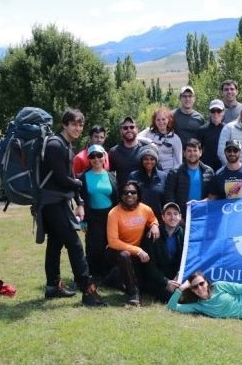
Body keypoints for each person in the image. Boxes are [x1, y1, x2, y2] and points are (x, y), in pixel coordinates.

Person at [37, 108, 105, 307]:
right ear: (64, 125)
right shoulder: (56, 145)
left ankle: (52, 286)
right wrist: (79, 184)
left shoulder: (64, 145)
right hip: (53, 203)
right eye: (74, 124)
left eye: (80, 124)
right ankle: (88, 290)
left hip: (54, 202)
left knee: (55, 243)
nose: (78, 128)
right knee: (74, 244)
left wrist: (79, 200)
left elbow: (67, 177)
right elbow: (63, 178)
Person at [105, 180, 160, 306]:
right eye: (125, 193)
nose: (129, 195)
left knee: (143, 281)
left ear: (138, 194)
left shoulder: (145, 209)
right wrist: (138, 250)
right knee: (124, 255)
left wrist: (155, 225)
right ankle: (133, 293)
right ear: (120, 195)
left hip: (136, 253)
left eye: (133, 192)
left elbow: (153, 219)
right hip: (115, 252)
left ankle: (113, 278)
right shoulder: (114, 213)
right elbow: (113, 242)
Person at [77, 144, 119, 279]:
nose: (96, 159)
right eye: (92, 156)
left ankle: (110, 273)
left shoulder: (111, 176)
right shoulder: (83, 177)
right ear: (89, 159)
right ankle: (93, 274)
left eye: (99, 155)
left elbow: (117, 197)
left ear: (104, 157)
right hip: (92, 216)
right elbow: (80, 198)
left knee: (111, 244)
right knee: (94, 247)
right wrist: (83, 220)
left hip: (110, 215)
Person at [140, 202, 184, 303]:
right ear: (163, 217)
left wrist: (177, 277)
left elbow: (185, 261)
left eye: (175, 214)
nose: (172, 217)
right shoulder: (152, 235)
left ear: (180, 217)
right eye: (168, 214)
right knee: (171, 297)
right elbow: (149, 266)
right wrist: (166, 282)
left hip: (175, 277)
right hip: (157, 278)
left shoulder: (184, 234)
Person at [165, 138, 215, 214]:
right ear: (184, 153)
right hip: (181, 216)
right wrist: (178, 217)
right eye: (189, 151)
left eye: (195, 150)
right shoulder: (174, 172)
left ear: (200, 152)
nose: (192, 154)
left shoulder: (209, 172)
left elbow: (213, 196)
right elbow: (169, 198)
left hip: (203, 214)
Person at [138, 107, 182, 172]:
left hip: (168, 173)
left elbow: (178, 162)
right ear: (154, 121)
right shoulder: (148, 132)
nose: (161, 122)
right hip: (151, 172)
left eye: (163, 119)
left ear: (168, 120)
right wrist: (150, 142)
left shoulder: (175, 138)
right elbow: (136, 137)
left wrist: (174, 175)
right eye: (158, 120)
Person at [128, 145, 166, 220]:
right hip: (139, 218)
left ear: (156, 161)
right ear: (141, 160)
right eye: (145, 159)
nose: (149, 161)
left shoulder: (163, 176)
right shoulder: (133, 176)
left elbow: (166, 198)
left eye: (152, 159)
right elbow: (130, 197)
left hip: (159, 218)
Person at [109, 116, 147, 187]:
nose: (129, 130)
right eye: (125, 128)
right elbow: (109, 175)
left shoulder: (146, 149)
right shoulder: (114, 151)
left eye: (132, 127)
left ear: (137, 129)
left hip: (143, 194)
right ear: (121, 131)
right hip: (123, 194)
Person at [197, 99, 225, 171]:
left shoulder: (228, 129)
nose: (216, 114)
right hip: (206, 168)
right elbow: (197, 150)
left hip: (223, 167)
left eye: (218, 111)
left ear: (223, 112)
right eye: (213, 111)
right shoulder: (202, 130)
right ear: (210, 113)